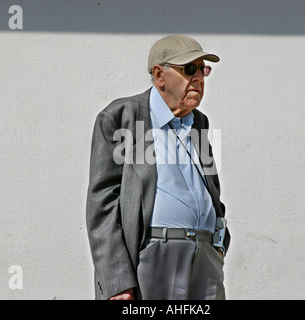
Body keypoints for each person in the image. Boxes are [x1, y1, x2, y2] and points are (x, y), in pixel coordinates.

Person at [86, 34, 230, 300]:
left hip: (206, 260)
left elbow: (213, 192)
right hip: (155, 258)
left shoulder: (199, 123)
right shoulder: (123, 118)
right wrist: (116, 279)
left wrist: (219, 244)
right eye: (189, 69)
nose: (198, 77)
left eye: (202, 69)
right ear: (159, 75)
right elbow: (103, 204)